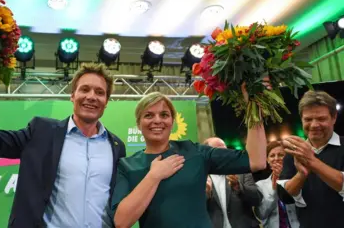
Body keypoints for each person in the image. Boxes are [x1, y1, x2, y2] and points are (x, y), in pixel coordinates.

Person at [0, 63, 126, 227]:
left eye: (99, 92)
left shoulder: (117, 146)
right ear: (72, 95)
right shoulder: (42, 132)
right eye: (84, 89)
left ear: (107, 100)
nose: (91, 97)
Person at [111, 92, 267, 228]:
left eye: (164, 115)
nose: (157, 120)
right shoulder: (127, 166)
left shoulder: (195, 152)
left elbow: (256, 160)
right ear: (138, 124)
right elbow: (121, 222)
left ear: (172, 122)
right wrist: (154, 176)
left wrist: (253, 105)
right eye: (148, 115)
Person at [280, 90, 344, 228]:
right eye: (308, 119)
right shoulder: (293, 152)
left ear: (334, 118)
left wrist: (311, 161)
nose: (314, 125)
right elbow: (285, 197)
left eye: (321, 119)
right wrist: (301, 174)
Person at [204, 137, 262, 228]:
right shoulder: (200, 176)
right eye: (218, 151)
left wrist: (239, 187)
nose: (224, 154)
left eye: (225, 150)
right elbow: (192, 209)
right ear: (207, 154)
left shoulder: (242, 171)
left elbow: (256, 199)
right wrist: (205, 195)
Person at [255, 141, 299, 228]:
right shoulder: (260, 185)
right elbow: (262, 214)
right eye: (272, 155)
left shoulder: (297, 179)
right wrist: (274, 188)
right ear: (267, 160)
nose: (276, 158)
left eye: (281, 155)